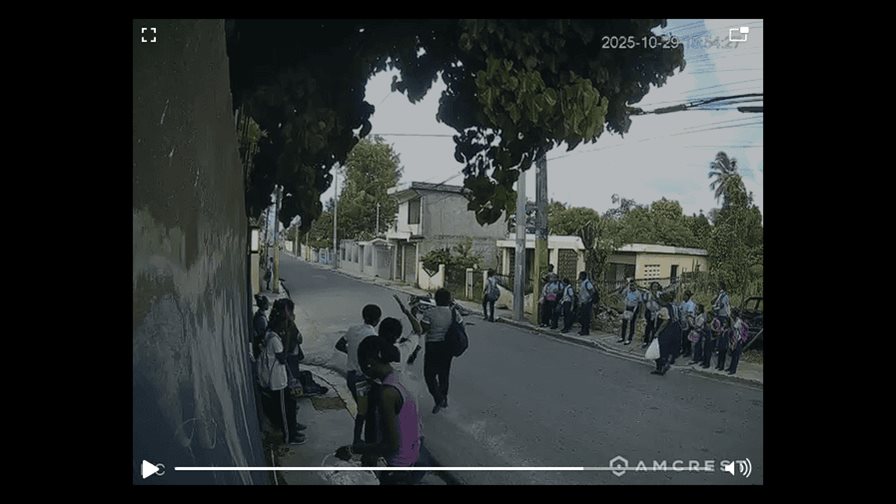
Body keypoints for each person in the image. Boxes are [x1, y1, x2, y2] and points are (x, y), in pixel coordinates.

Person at [337, 336, 423, 485]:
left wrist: (354, 450)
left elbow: (391, 445)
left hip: (398, 469)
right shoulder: (400, 377)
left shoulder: (387, 394)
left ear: (369, 363)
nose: (362, 369)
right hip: (412, 456)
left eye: (361, 364)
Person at [335, 305, 382, 448]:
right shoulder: (373, 336)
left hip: (351, 376)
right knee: (367, 412)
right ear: (377, 320)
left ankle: (360, 439)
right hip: (362, 379)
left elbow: (339, 345)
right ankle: (364, 442)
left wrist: (351, 353)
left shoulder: (353, 329)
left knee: (363, 410)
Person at [257, 307, 305, 445]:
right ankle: (289, 436)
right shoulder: (274, 339)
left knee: (289, 407)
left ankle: (292, 430)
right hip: (277, 381)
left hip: (280, 379)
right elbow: (282, 358)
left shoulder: (272, 336)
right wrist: (288, 340)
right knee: (284, 411)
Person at [420, 288, 462, 414]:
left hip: (432, 346)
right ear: (449, 300)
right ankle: (444, 398)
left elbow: (423, 329)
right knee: (444, 374)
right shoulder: (454, 313)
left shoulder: (429, 313)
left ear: (436, 300)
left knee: (429, 375)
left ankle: (438, 398)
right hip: (448, 347)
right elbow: (460, 328)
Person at [618, 280, 641, 345]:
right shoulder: (627, 291)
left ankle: (629, 338)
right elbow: (620, 293)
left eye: (633, 285)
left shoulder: (638, 293)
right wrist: (623, 287)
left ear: (635, 286)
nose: (631, 286)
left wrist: (638, 312)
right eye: (630, 285)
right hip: (627, 307)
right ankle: (622, 337)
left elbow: (640, 303)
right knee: (624, 323)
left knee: (632, 324)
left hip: (634, 308)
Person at [641, 282, 662, 348]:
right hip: (649, 311)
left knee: (655, 327)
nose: (655, 288)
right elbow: (644, 303)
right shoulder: (647, 293)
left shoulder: (659, 294)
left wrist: (655, 297)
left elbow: (661, 302)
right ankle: (646, 341)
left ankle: (653, 340)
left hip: (657, 312)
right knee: (648, 326)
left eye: (656, 286)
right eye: (654, 286)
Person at [577, 271, 597, 336]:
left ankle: (586, 331)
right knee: (582, 317)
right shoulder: (583, 283)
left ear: (583, 276)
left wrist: (588, 300)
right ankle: (583, 330)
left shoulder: (587, 283)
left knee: (586, 318)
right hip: (583, 302)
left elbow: (592, 291)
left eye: (580, 275)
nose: (579, 277)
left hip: (587, 303)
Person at [679, 290, 696, 359]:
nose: (683, 297)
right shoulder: (683, 303)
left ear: (688, 296)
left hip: (688, 322)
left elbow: (689, 314)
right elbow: (680, 309)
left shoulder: (691, 304)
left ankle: (688, 351)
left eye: (685, 295)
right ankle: (683, 349)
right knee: (683, 337)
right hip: (683, 322)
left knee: (687, 338)